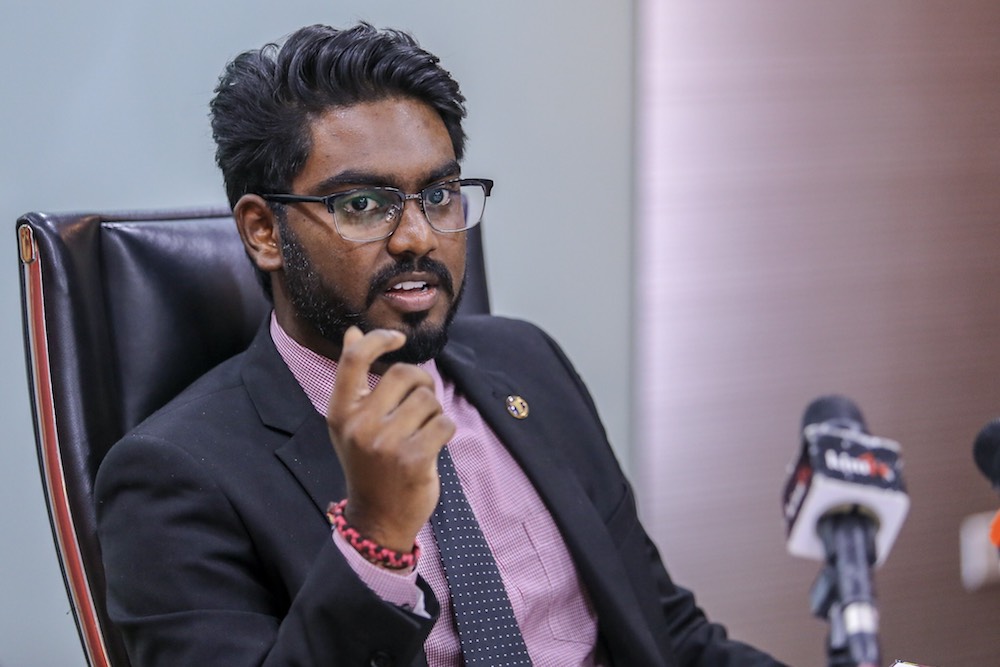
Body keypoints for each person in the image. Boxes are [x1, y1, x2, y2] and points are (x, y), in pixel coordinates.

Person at [95, 22, 788, 666]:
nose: (418, 236)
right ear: (264, 232)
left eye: (440, 194)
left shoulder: (528, 363)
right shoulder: (170, 475)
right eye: (362, 204)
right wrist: (376, 534)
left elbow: (673, 636)